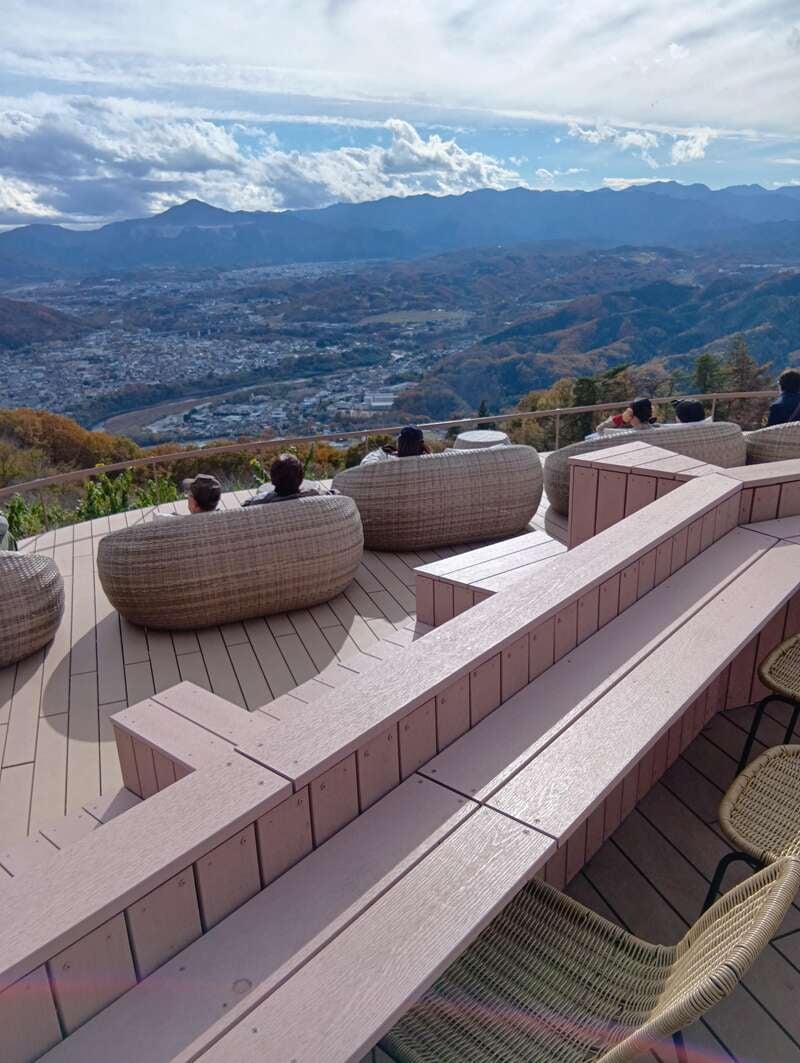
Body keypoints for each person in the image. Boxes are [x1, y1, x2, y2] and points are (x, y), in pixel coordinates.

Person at [243, 453, 334, 505]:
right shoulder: (317, 495)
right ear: (301, 477)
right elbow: (335, 494)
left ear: (272, 478)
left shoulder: (258, 503)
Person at [360, 425, 430, 465]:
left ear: (399, 444)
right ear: (421, 445)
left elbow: (365, 464)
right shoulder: (429, 462)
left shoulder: (390, 463)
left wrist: (381, 451)